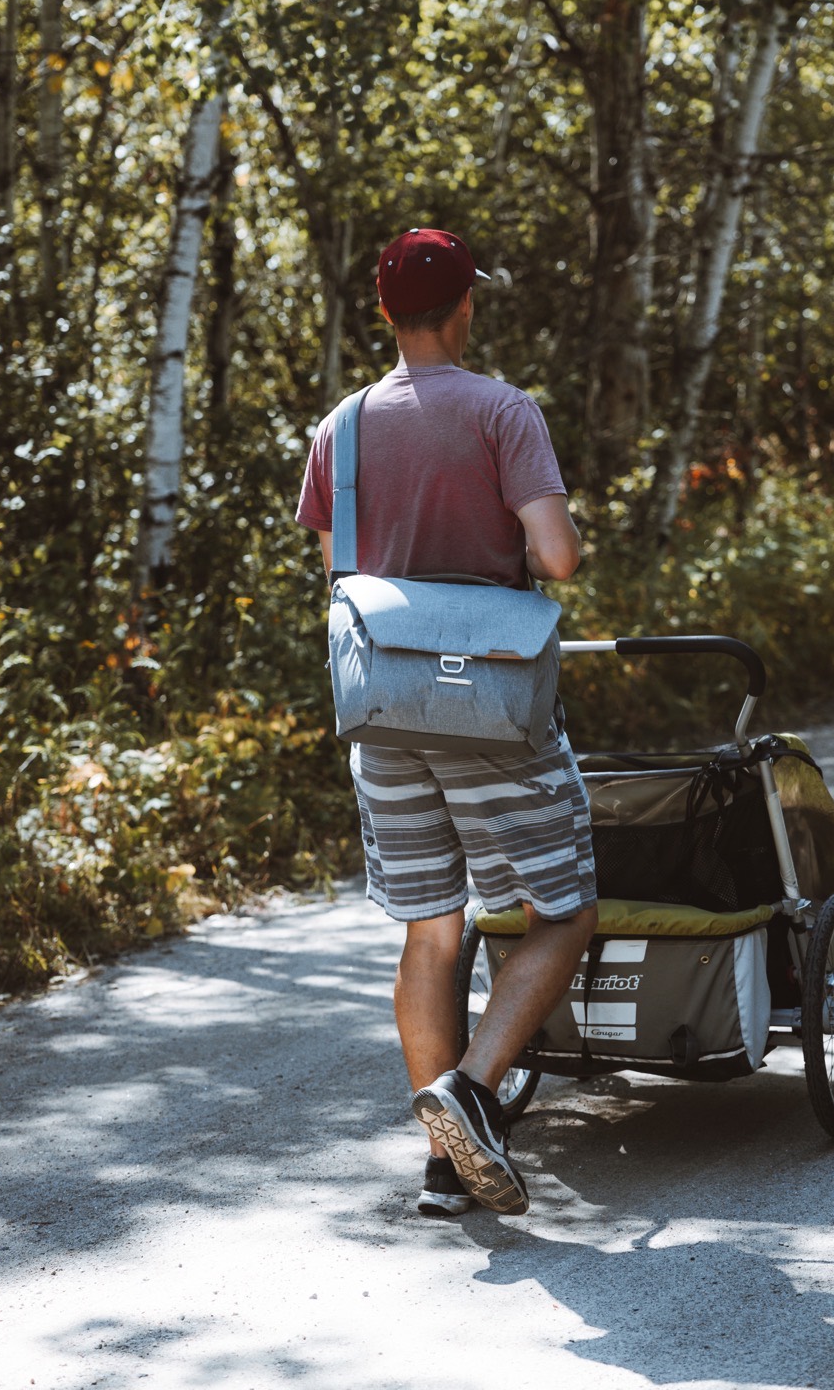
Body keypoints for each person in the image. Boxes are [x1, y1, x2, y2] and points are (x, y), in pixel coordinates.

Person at [296, 227, 597, 1218]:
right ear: (467, 305)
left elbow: (342, 570)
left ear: (385, 311)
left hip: (382, 709)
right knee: (564, 909)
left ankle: (443, 1166)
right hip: (489, 704)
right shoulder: (503, 412)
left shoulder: (341, 425)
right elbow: (555, 558)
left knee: (433, 926)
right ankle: (468, 1092)